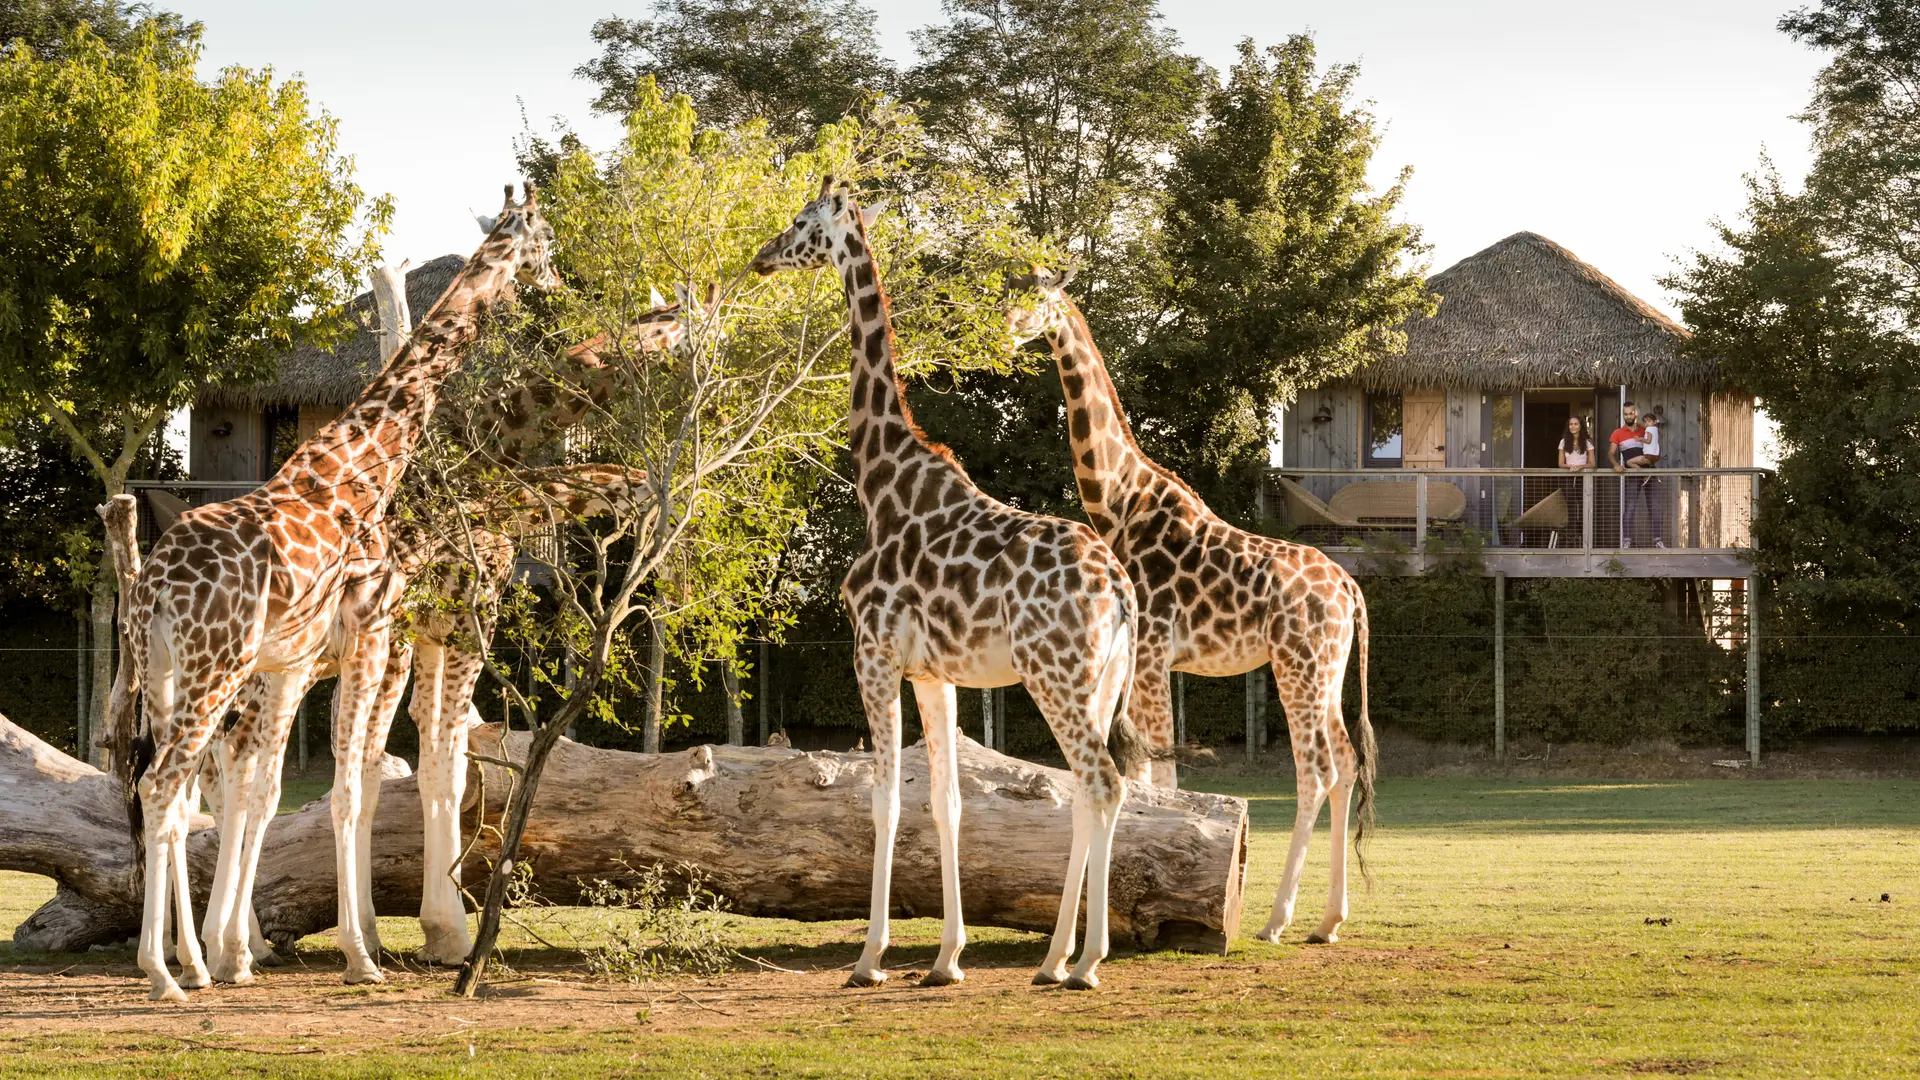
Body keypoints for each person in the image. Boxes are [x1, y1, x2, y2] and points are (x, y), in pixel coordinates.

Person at [1620, 407, 1666, 548]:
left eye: (1631, 413)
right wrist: (1616, 464)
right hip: (1634, 475)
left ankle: (1658, 540)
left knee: (1655, 507)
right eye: (1626, 413)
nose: (1629, 416)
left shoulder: (1646, 430)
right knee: (1630, 507)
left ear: (1636, 414)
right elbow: (1612, 452)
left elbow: (1651, 443)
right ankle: (1626, 540)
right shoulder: (1620, 432)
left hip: (1650, 468)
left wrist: (1651, 460)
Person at [1557, 415, 1595, 543]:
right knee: (1571, 507)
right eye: (1571, 424)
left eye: (1575, 424)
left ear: (1581, 426)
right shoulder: (1563, 441)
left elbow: (1592, 463)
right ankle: (1571, 536)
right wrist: (1571, 467)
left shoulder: (1587, 442)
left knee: (1584, 506)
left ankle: (1585, 536)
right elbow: (1561, 463)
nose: (1573, 426)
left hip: (1583, 478)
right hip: (1568, 477)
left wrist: (1580, 467)